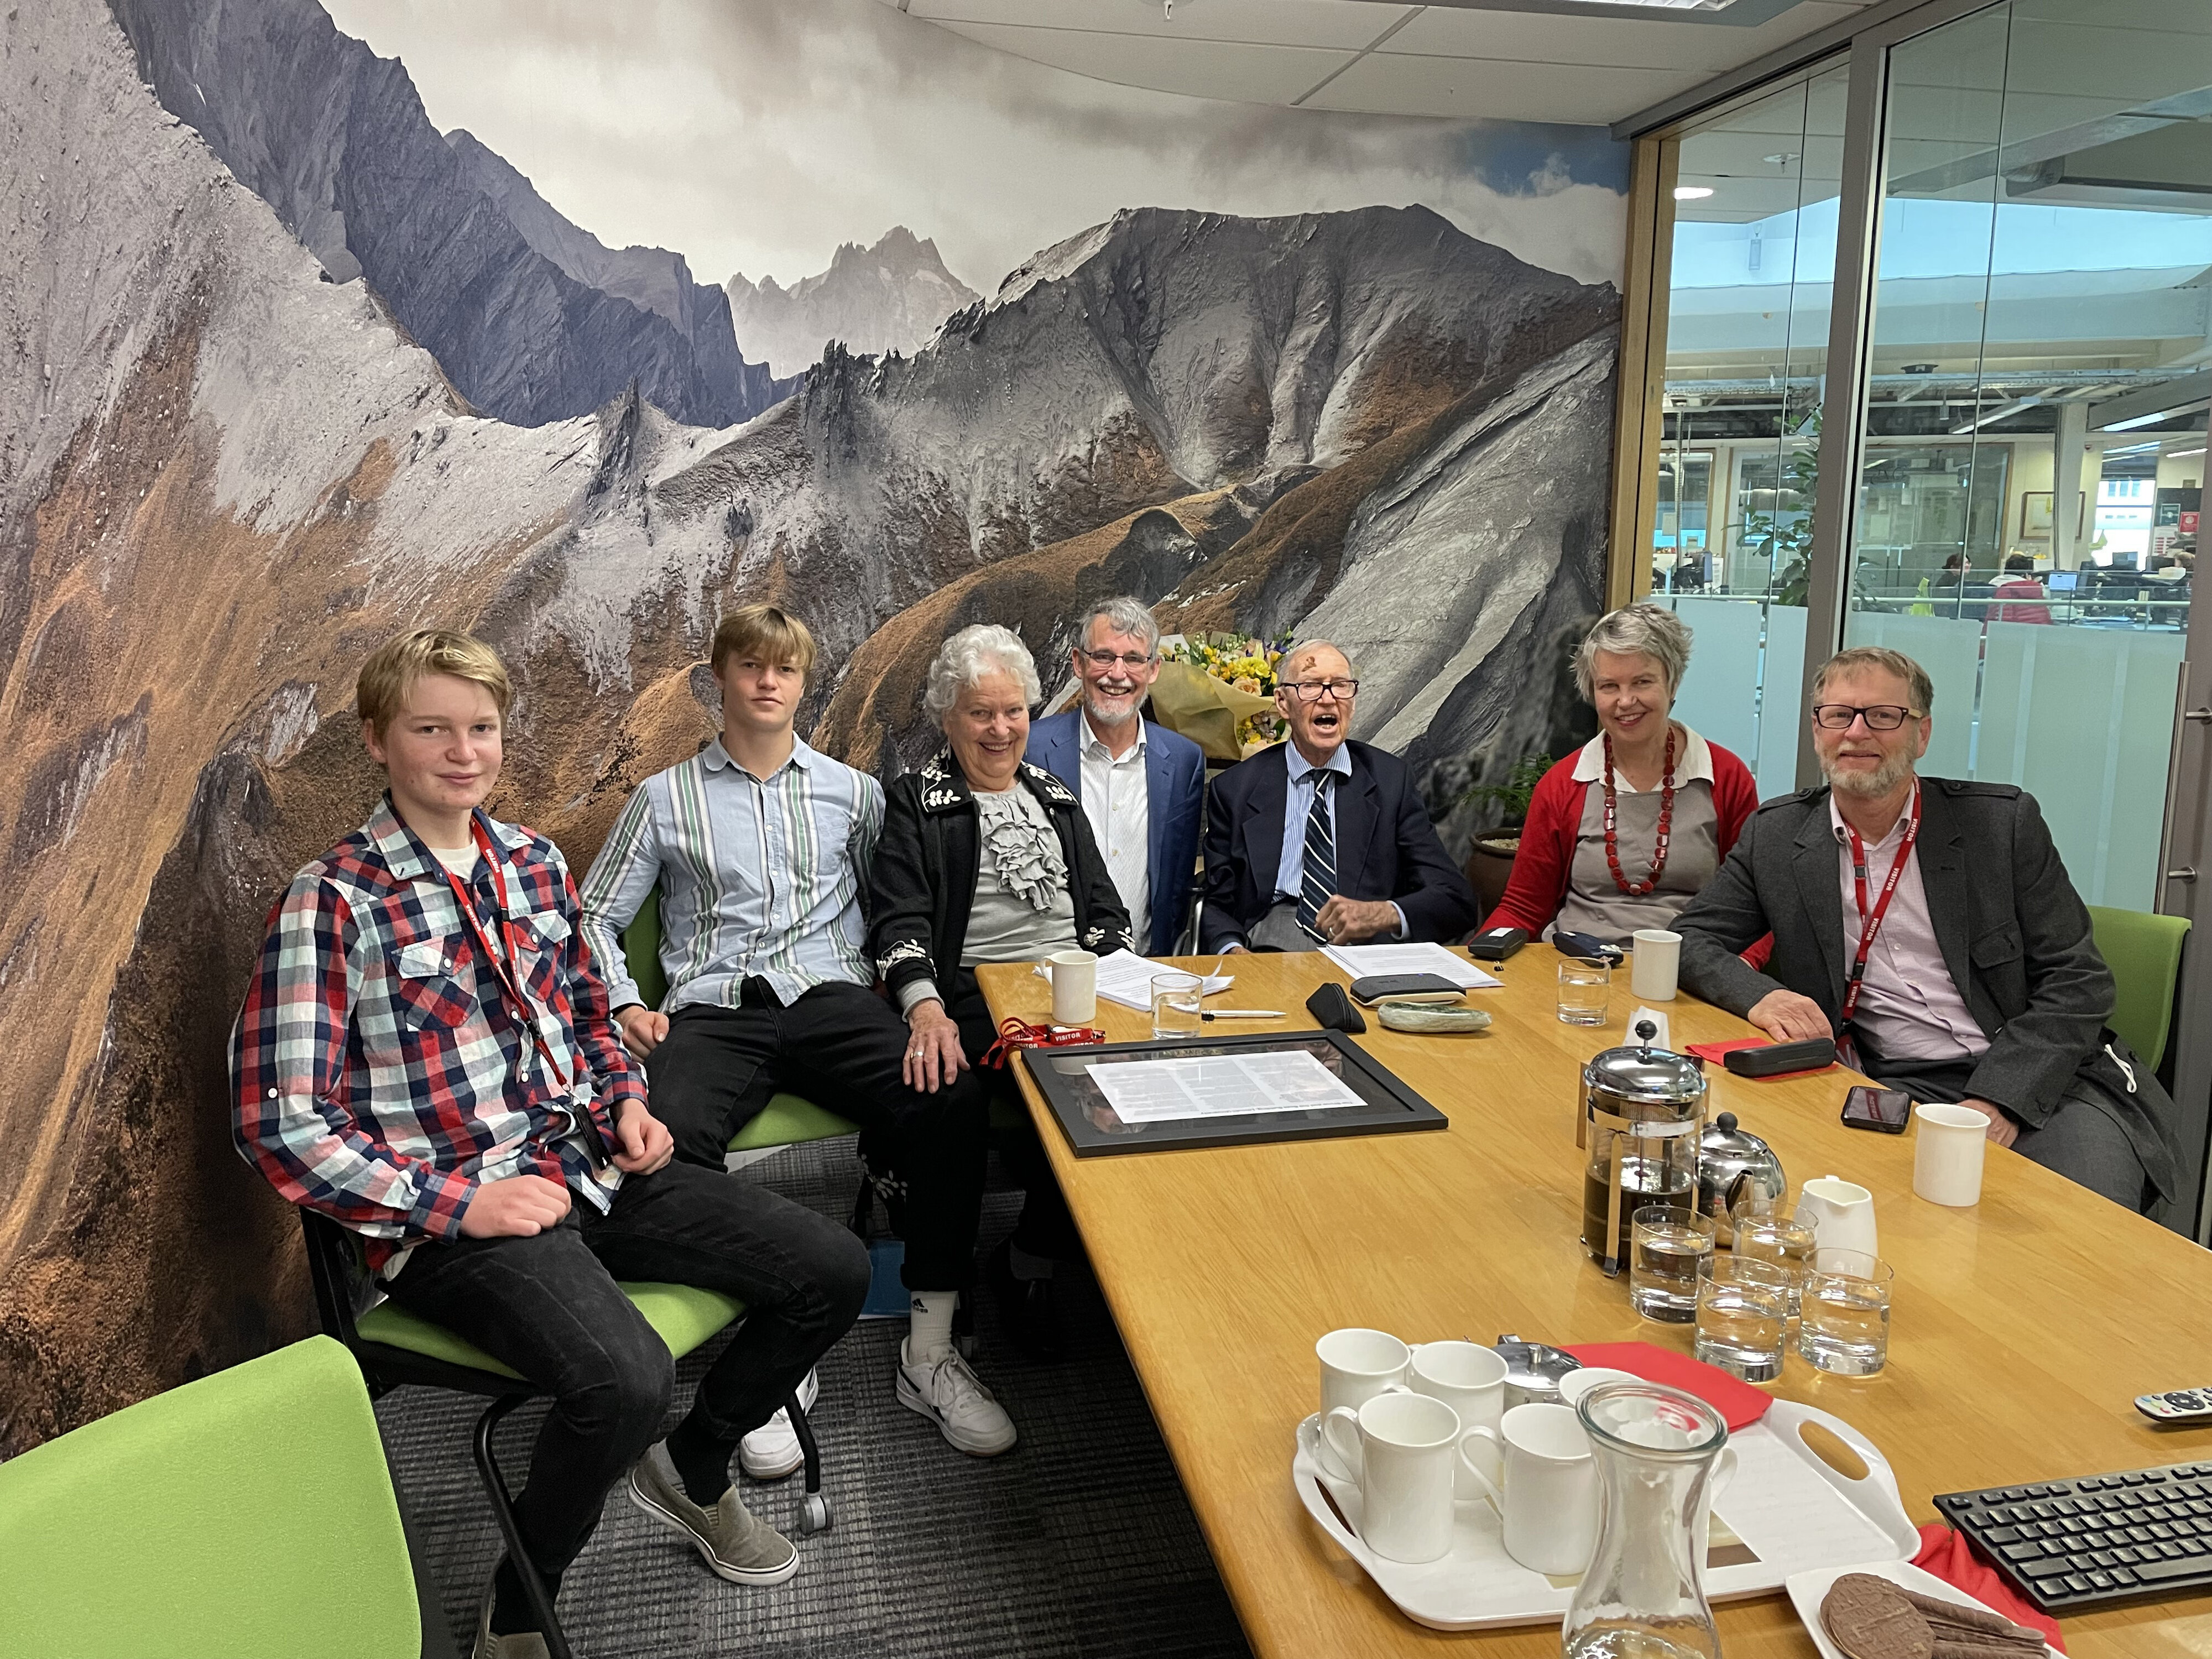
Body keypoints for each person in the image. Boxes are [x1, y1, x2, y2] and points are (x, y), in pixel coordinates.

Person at [232, 630, 870, 1659]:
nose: (463, 752)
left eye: (480, 729)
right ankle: (522, 1601)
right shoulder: (334, 900)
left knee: (831, 1268)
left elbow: (588, 1016)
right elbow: (281, 1122)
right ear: (378, 740)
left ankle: (694, 1469)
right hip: (455, 1221)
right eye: (431, 730)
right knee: (627, 1381)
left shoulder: (531, 862)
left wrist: (627, 1102)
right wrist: (460, 1204)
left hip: (587, 1169)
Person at [578, 605, 1017, 1460]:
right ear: (719, 679)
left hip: (833, 1001)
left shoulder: (853, 794)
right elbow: (594, 916)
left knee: (952, 1096)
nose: (768, 682)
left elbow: (894, 906)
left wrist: (921, 1004)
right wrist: (625, 1004)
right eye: (751, 666)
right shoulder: (664, 799)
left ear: (804, 683)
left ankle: (929, 1350)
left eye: (784, 668)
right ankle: (774, 1349)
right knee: (661, 1140)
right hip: (714, 1009)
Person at [1673, 645, 2182, 1213]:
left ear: (1922, 734)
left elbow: (2079, 982)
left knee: (2082, 1228)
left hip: (2041, 1076)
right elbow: (1690, 941)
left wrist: (1999, 1100)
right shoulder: (1777, 835)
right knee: (1845, 1215)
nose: (1857, 732)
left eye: (1883, 716)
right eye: (1838, 715)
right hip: (1891, 1082)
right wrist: (1762, 997)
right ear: (1817, 730)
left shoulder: (2001, 826)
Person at [870, 624, 1134, 1355]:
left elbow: (1106, 914)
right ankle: (968, 1288)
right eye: (980, 713)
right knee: (1008, 1093)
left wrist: (1122, 975)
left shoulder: (1055, 797)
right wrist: (925, 1007)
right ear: (947, 718)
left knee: (1150, 1085)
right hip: (977, 1000)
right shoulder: (916, 803)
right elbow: (899, 921)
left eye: (1013, 711)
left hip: (1074, 994)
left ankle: (1033, 1254)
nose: (1000, 729)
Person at [1481, 605, 1759, 948]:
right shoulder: (1561, 785)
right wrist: (1475, 964)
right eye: (1609, 686)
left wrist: (1741, 966)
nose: (1626, 701)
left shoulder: (1727, 778)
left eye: (1642, 682)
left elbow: (1756, 909)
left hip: (1690, 967)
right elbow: (1523, 907)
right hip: (1577, 964)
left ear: (1673, 684)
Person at [1199, 640, 1476, 952]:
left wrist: (1383, 914)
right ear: (1283, 703)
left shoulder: (1390, 782)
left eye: (1341, 686)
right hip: (1270, 940)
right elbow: (1215, 903)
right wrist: (1232, 950)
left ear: (1353, 703)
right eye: (1311, 686)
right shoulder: (1236, 789)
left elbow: (1455, 898)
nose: (1328, 699)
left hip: (1367, 947)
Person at [1025, 597, 1207, 956]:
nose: (1118, 673)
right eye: (1104, 656)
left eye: (1134, 659)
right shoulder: (1032, 748)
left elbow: (1176, 883)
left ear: (1153, 669)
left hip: (1147, 967)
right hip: (1054, 965)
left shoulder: (1184, 762)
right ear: (1078, 663)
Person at [1990, 552, 2053, 624]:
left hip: (2002, 625)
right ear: (2025, 574)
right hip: (2033, 626)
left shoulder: (1994, 582)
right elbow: (2048, 606)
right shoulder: (2035, 587)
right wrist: (2030, 583)